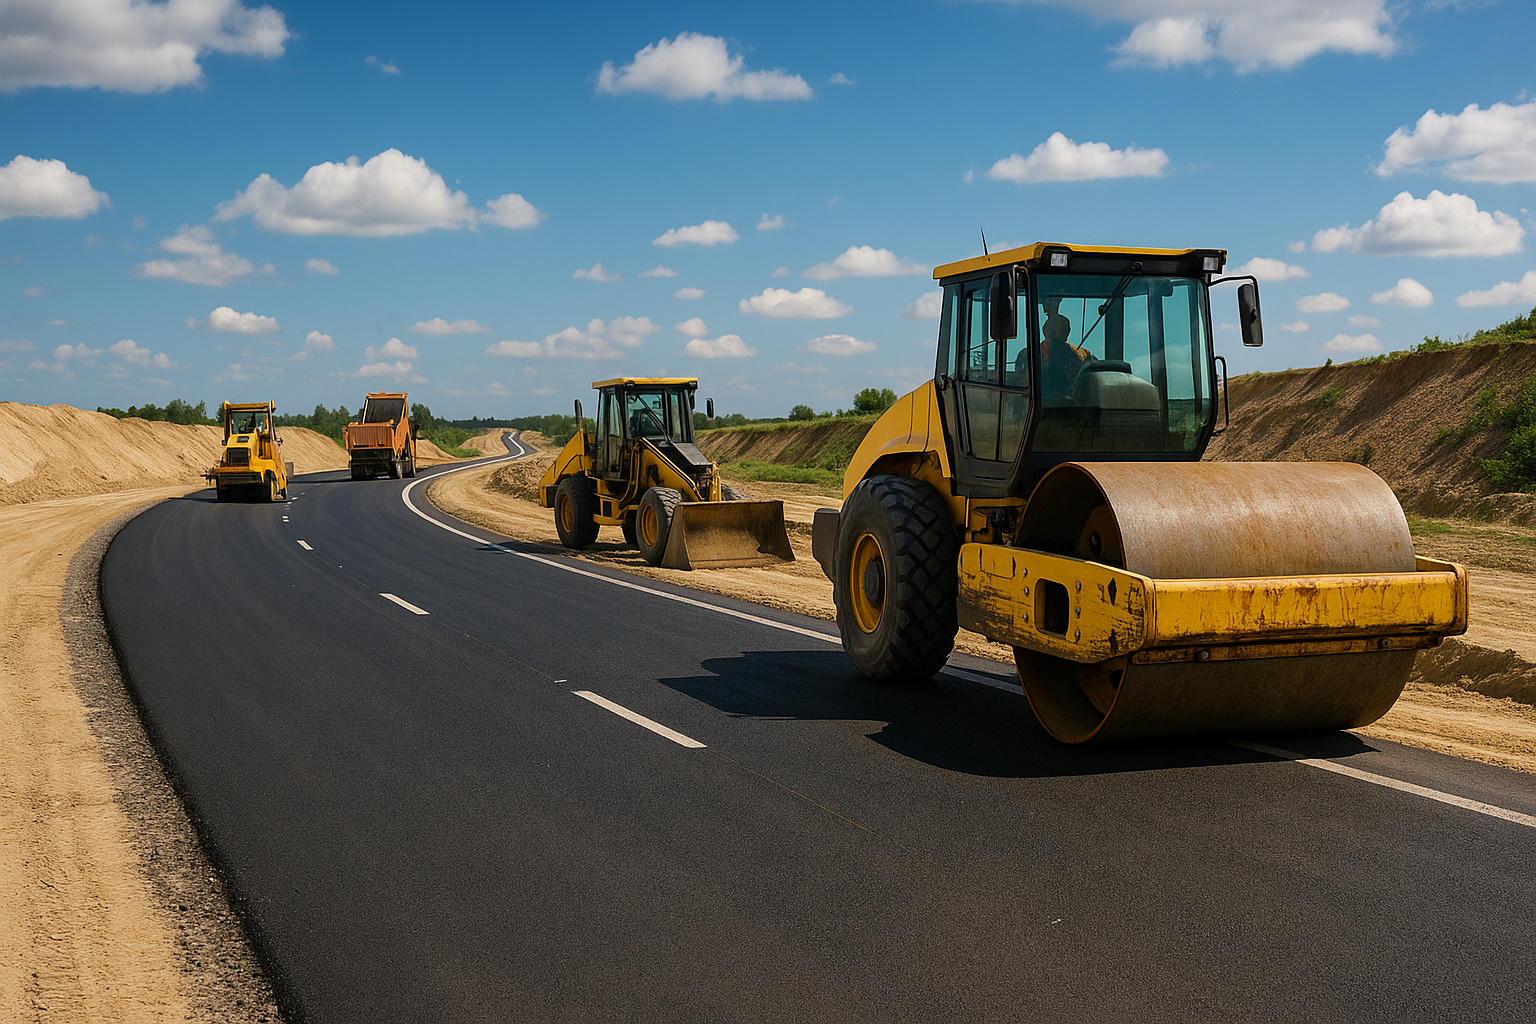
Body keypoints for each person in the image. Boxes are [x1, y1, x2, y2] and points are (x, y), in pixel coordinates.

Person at [1040, 300, 1088, 399]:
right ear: (1045, 330)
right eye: (1055, 328)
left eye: (1063, 328)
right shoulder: (1030, 355)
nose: (1059, 331)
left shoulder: (1083, 355)